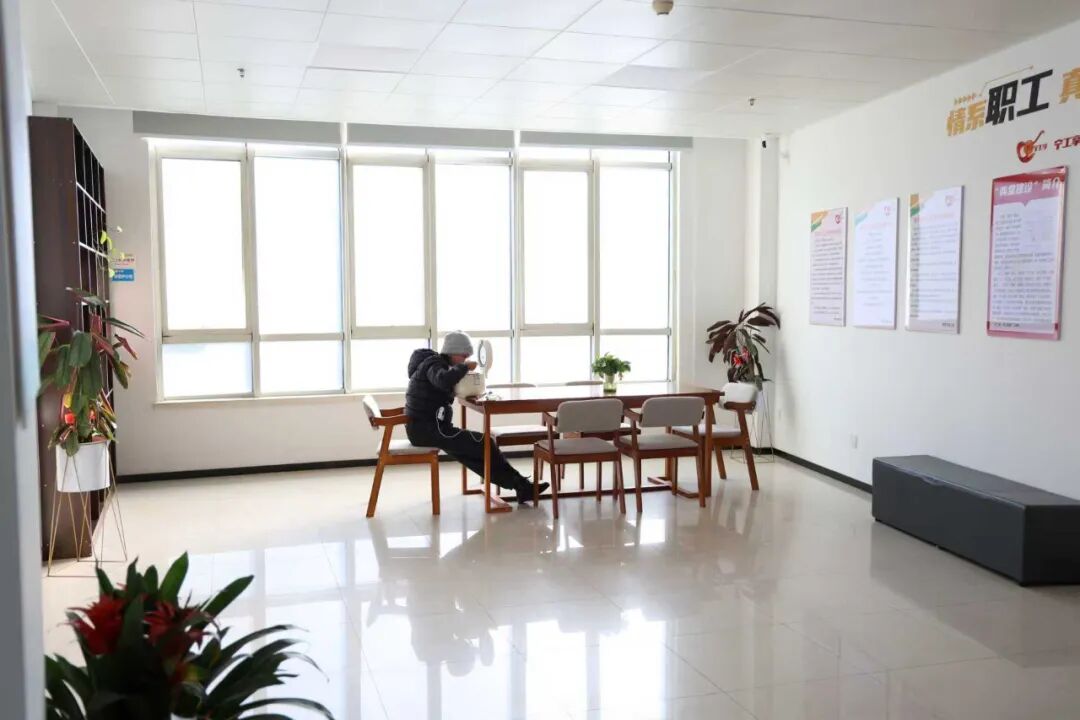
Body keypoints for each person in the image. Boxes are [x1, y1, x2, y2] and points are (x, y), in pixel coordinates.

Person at [405, 331, 547, 505]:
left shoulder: (433, 363)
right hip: (428, 430)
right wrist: (464, 368)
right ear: (452, 352)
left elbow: (443, 384)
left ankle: (521, 487)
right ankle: (522, 486)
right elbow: (442, 380)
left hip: (427, 428)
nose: (465, 360)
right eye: (464, 356)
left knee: (474, 454)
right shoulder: (434, 364)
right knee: (485, 444)